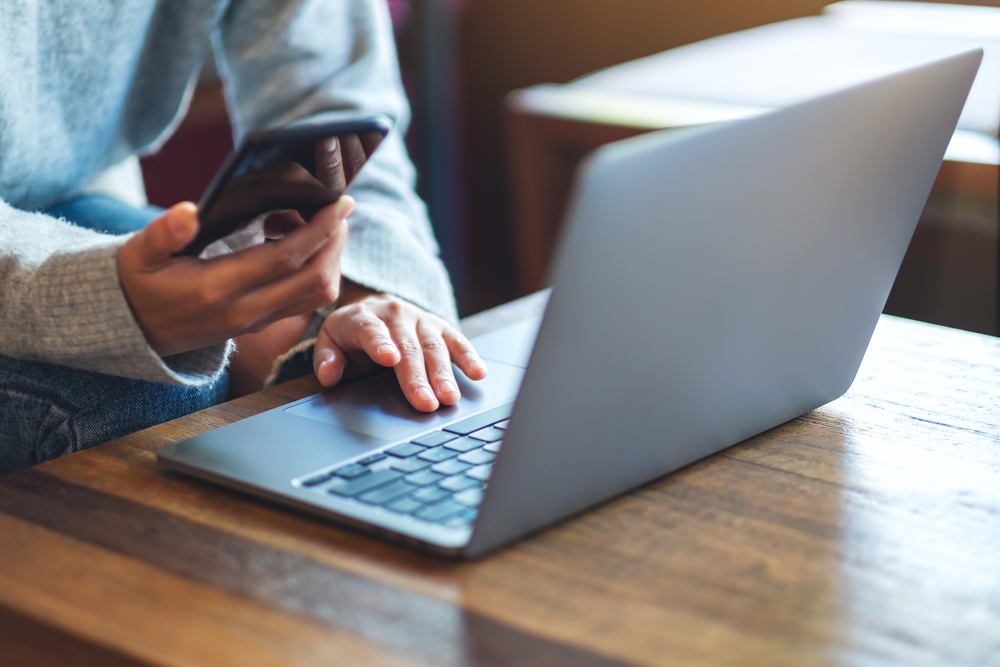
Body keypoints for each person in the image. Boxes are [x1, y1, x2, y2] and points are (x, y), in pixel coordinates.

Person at [0, 0, 486, 472]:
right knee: (152, 398)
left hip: (71, 185)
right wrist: (93, 300)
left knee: (330, 352)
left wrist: (368, 294)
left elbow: (336, 103)